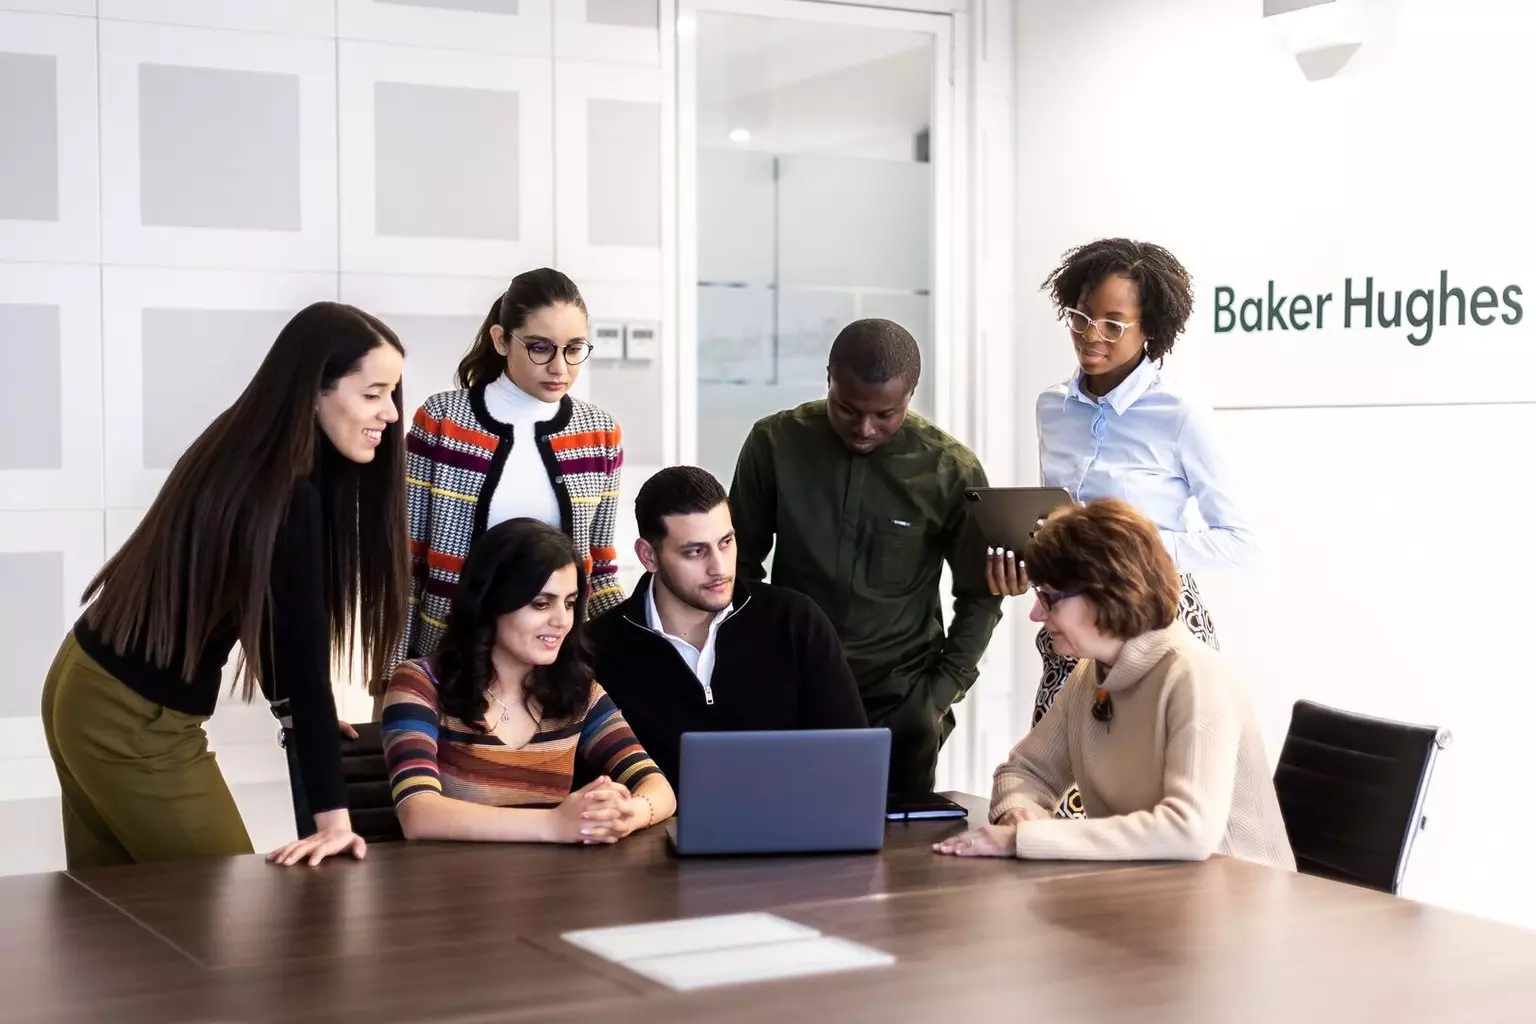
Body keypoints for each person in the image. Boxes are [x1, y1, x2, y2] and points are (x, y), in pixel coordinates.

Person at [40, 302, 409, 869]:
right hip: (130, 719)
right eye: (372, 393)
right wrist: (335, 821)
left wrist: (294, 707)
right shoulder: (290, 493)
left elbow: (265, 610)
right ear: (315, 389)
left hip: (82, 681)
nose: (388, 412)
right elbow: (304, 657)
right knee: (220, 912)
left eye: (392, 394)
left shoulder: (248, 446)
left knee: (116, 922)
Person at [988, 238, 1257, 815]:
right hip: (1070, 625)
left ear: (1149, 331)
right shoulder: (1051, 407)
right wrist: (1031, 559)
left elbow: (1241, 541)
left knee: (1152, 800)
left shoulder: (1180, 414)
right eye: (1082, 318)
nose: (1092, 336)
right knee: (1054, 793)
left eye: (1114, 324)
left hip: (1155, 618)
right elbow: (1056, 520)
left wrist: (1131, 548)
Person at [937, 499, 1291, 868]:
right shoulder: (1089, 675)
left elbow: (1189, 830)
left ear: (1106, 594)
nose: (1036, 613)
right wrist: (1020, 817)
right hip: (1152, 895)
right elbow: (1024, 772)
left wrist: (1026, 839)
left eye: (1049, 599)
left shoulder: (1196, 677)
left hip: (1238, 910)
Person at [728, 319, 1001, 795]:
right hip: (792, 691)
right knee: (781, 851)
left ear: (910, 396)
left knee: (898, 863)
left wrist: (936, 697)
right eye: (847, 408)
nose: (864, 428)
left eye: (885, 415)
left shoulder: (950, 470)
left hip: (900, 703)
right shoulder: (773, 444)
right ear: (828, 377)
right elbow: (738, 567)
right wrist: (754, 665)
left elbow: (981, 594)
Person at [381, 519, 674, 843]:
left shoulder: (579, 691)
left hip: (547, 888)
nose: (562, 620)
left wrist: (628, 815)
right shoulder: (420, 683)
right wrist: (554, 825)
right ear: (491, 601)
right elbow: (418, 814)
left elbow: (659, 788)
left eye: (569, 603)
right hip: (448, 888)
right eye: (541, 604)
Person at [396, 268, 625, 674]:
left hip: (557, 669)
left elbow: (600, 569)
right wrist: (391, 673)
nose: (560, 367)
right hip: (448, 662)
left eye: (574, 349)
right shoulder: (443, 421)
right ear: (501, 339)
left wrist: (634, 653)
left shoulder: (600, 434)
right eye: (540, 348)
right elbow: (405, 562)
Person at [587, 466, 868, 785]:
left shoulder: (795, 621)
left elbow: (853, 759)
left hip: (791, 829)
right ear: (648, 556)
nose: (719, 568)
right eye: (695, 551)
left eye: (726, 542)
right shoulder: (597, 649)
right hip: (651, 832)